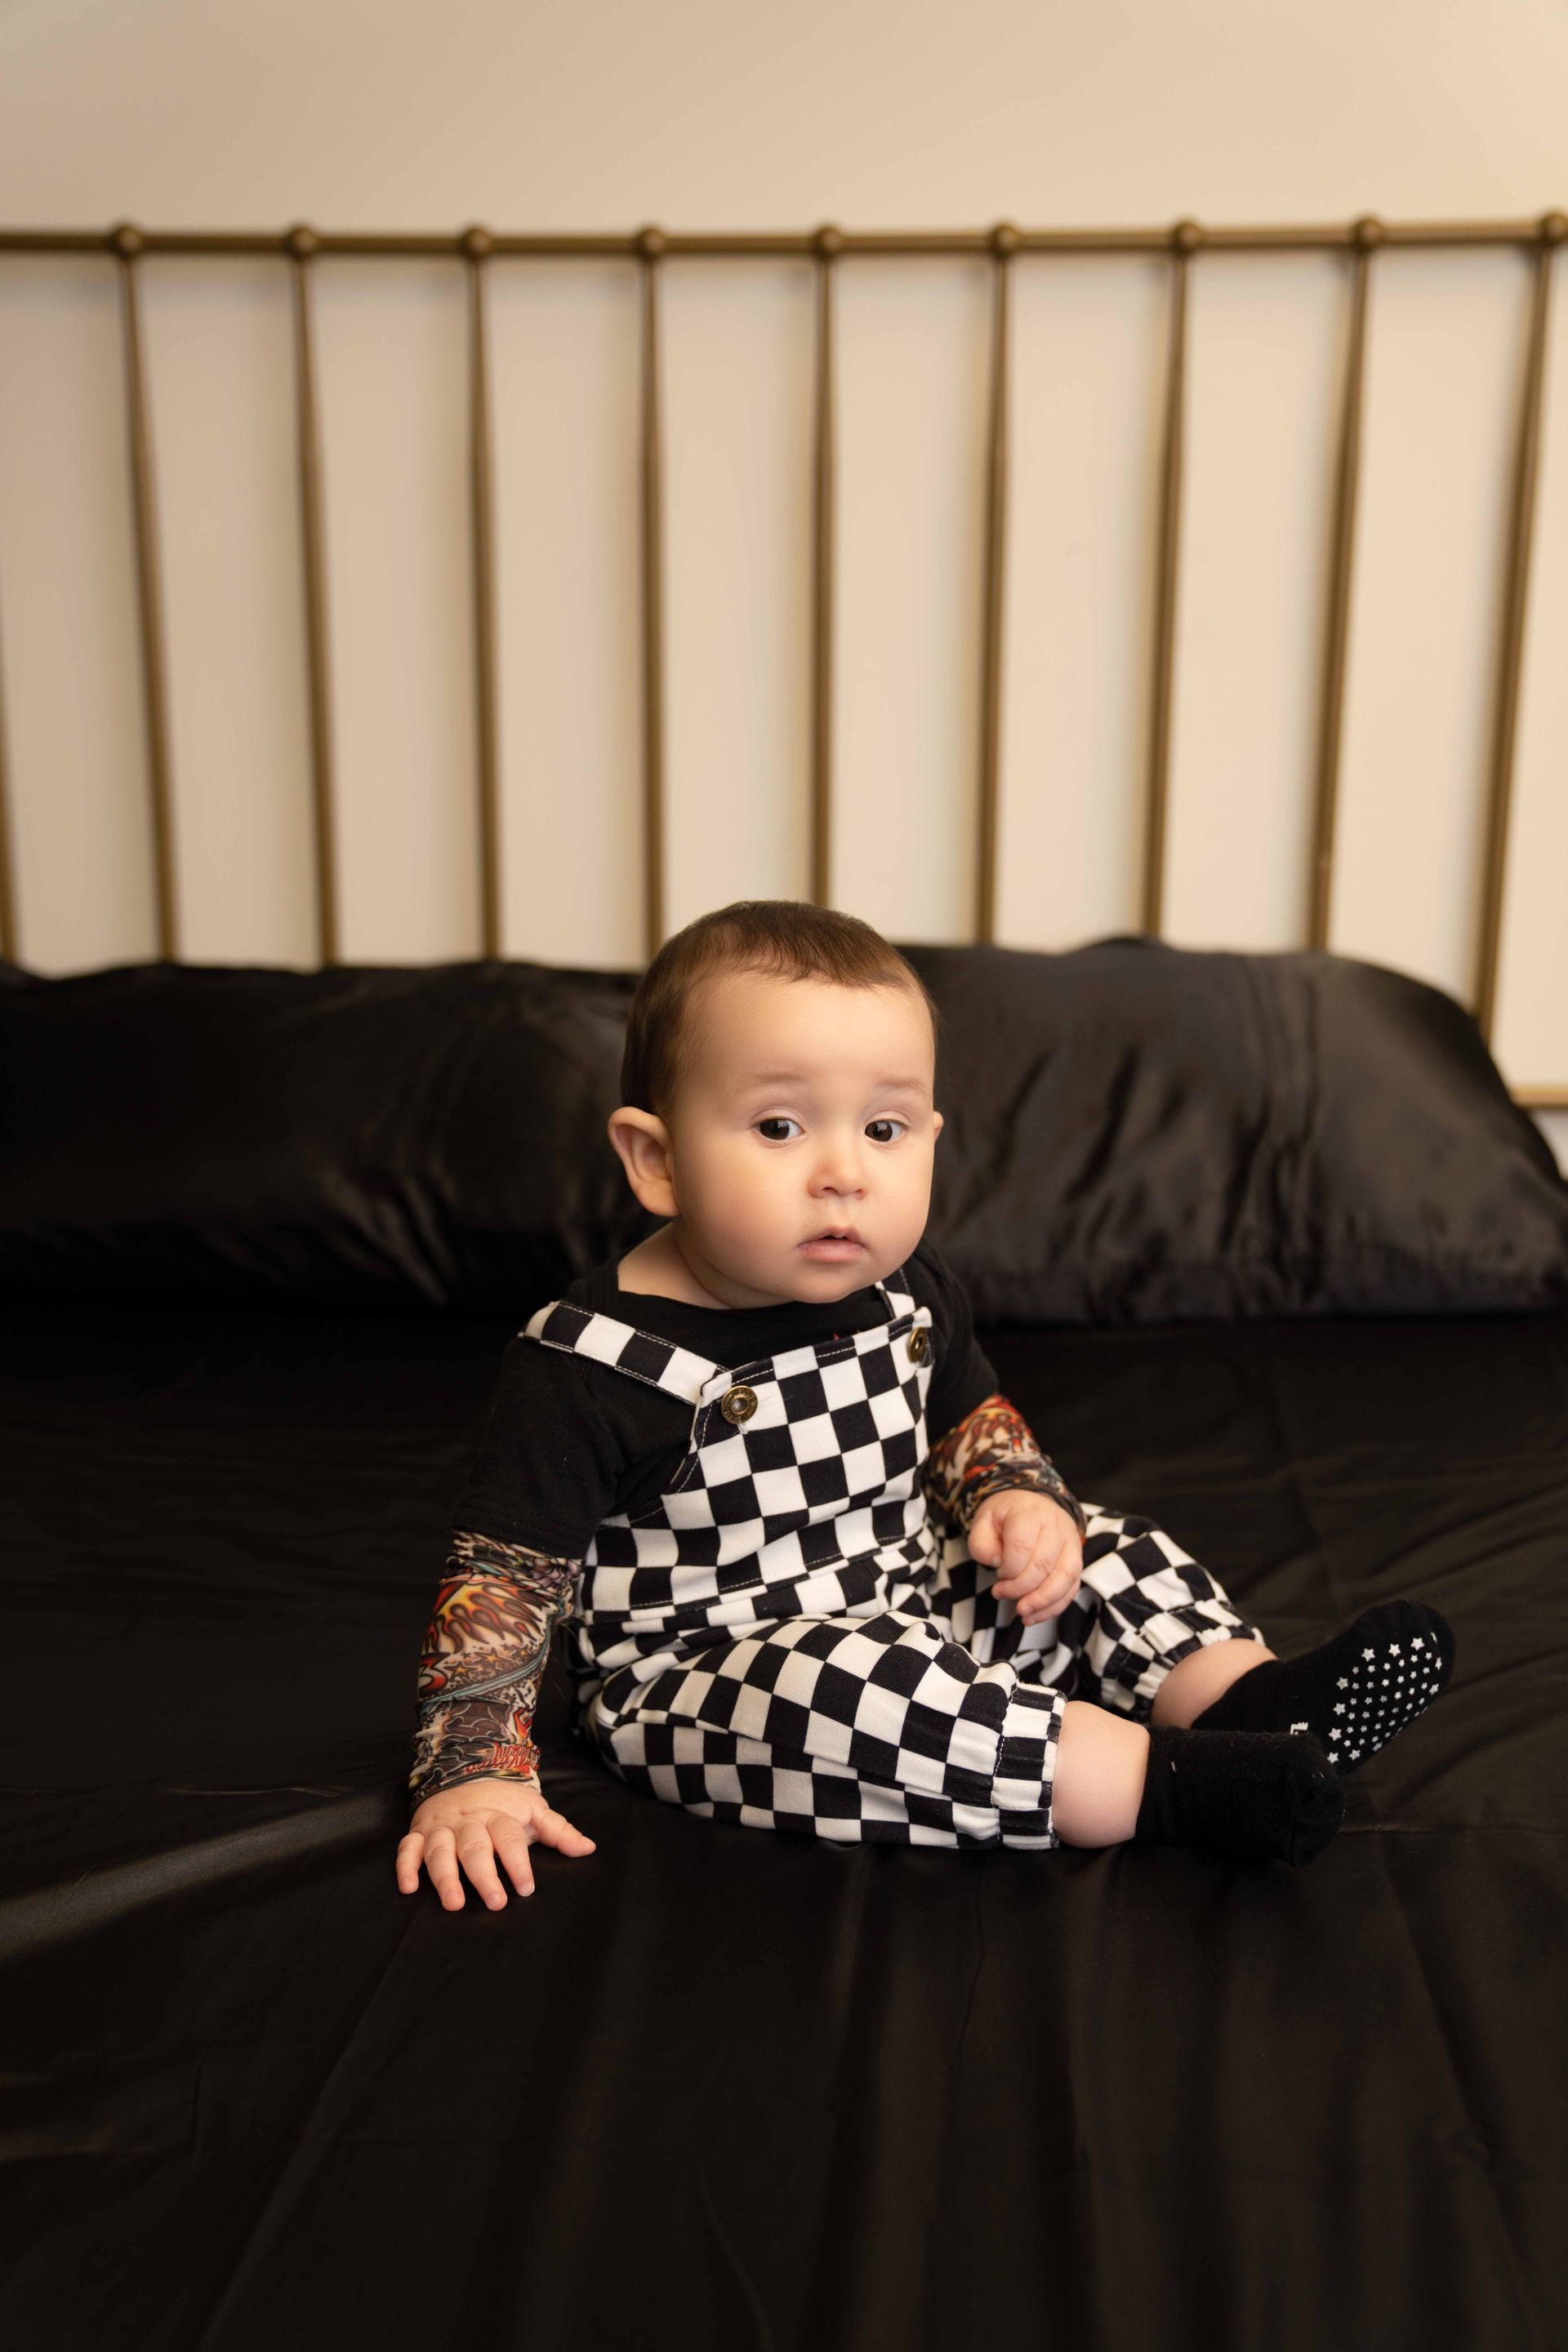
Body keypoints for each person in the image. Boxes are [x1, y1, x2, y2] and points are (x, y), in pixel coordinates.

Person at [394, 901, 1454, 1911]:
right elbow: (500, 1586)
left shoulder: (906, 1290)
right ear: (657, 1160)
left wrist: (1014, 1494)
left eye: (886, 1128)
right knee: (851, 1694)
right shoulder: (591, 1365)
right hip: (706, 1675)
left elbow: (968, 1421)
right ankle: (1173, 1786)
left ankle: (1249, 1703)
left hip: (906, 1591)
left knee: (1102, 1547)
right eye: (779, 1125)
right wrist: (473, 1769)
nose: (844, 1173)